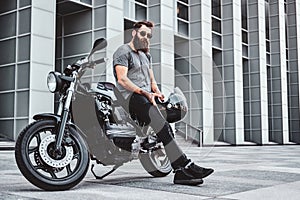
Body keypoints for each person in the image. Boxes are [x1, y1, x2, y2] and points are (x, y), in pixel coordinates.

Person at [112, 20, 213, 186]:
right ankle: (185, 166)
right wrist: (144, 92)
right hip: (130, 97)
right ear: (134, 33)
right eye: (143, 33)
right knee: (161, 125)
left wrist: (157, 92)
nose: (146, 38)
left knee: (164, 127)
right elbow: (122, 79)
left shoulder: (146, 55)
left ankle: (181, 171)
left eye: (149, 36)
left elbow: (151, 80)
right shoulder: (123, 51)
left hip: (145, 97)